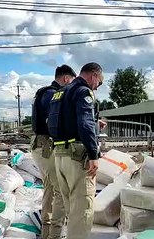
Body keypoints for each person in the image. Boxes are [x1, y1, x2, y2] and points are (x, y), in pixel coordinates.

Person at [47, 62, 104, 239]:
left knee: (71, 209)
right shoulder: (83, 92)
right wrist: (93, 154)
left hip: (60, 156)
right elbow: (85, 123)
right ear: (94, 75)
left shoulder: (60, 92)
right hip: (77, 158)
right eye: (99, 83)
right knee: (82, 213)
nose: (97, 87)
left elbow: (54, 123)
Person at [31, 64, 76, 239]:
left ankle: (46, 233)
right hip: (47, 148)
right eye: (71, 81)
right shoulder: (53, 95)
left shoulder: (44, 92)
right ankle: (55, 235)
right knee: (61, 191)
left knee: (50, 189)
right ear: (66, 79)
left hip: (40, 147)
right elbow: (57, 120)